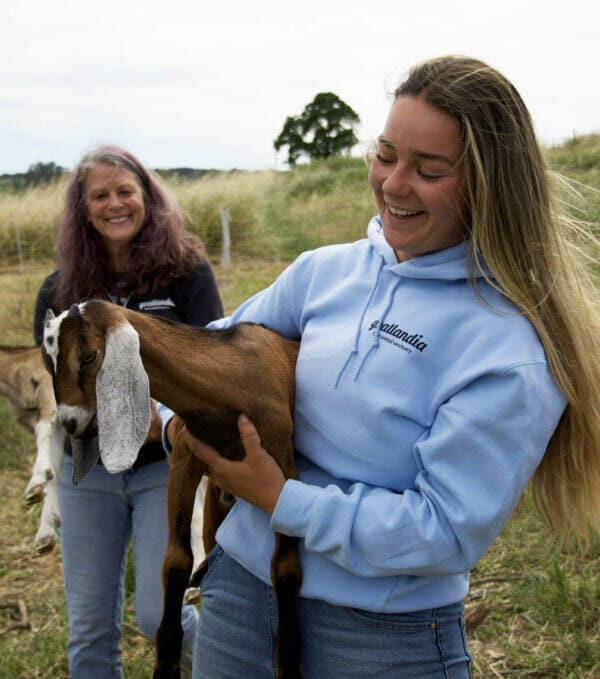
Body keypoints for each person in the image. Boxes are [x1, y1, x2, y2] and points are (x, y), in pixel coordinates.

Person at [172, 56, 600, 678]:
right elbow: (205, 353)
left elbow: (443, 532)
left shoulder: (509, 348)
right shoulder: (324, 273)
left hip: (377, 634)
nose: (394, 184)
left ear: (490, 184)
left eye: (429, 170)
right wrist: (170, 426)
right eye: (385, 154)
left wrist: (278, 498)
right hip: (241, 592)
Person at [33, 145, 224, 678]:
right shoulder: (59, 290)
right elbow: (63, 391)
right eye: (100, 195)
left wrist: (157, 417)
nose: (114, 204)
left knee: (157, 614)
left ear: (147, 198)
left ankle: (242, 661)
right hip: (86, 473)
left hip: (162, 471)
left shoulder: (185, 274)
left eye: (125, 191)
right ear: (83, 207)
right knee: (90, 632)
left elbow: (211, 362)